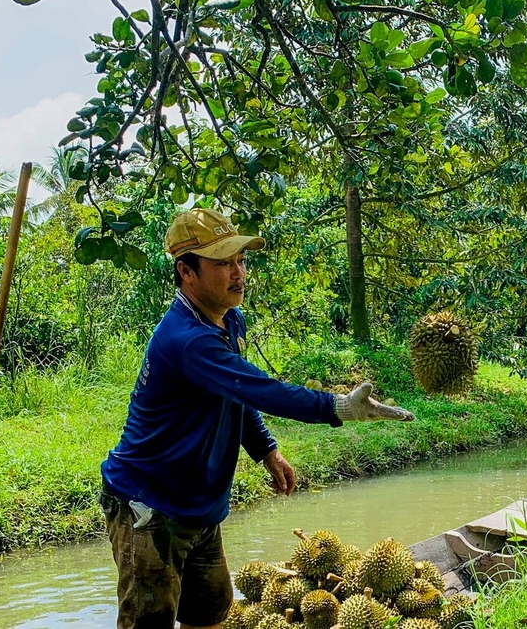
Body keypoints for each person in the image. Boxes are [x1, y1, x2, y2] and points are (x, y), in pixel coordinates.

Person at [99, 209, 416, 629]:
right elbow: (261, 390)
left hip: (199, 508)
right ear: (186, 272)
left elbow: (235, 395)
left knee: (210, 613)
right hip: (150, 507)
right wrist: (339, 407)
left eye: (240, 260)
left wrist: (265, 449)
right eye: (223, 263)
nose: (238, 272)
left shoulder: (228, 319)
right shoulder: (186, 341)